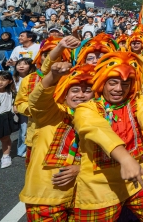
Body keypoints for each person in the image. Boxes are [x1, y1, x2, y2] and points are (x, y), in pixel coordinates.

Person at [71, 51, 143, 221]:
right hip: (99, 187)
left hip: (138, 176)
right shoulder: (86, 109)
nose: (118, 89)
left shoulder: (134, 101)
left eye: (125, 84)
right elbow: (98, 129)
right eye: (112, 83)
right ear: (102, 82)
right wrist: (125, 159)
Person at [19, 62, 94, 220]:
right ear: (65, 94)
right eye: (75, 90)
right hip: (45, 198)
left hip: (82, 197)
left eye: (87, 91)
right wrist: (53, 75)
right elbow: (37, 101)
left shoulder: (99, 120)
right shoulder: (51, 113)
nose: (81, 95)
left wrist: (81, 168)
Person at [0, 70, 17, 172]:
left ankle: (6, 156)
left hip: (7, 118)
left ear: (10, 81)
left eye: (3, 80)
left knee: (6, 138)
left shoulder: (12, 92)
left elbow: (15, 103)